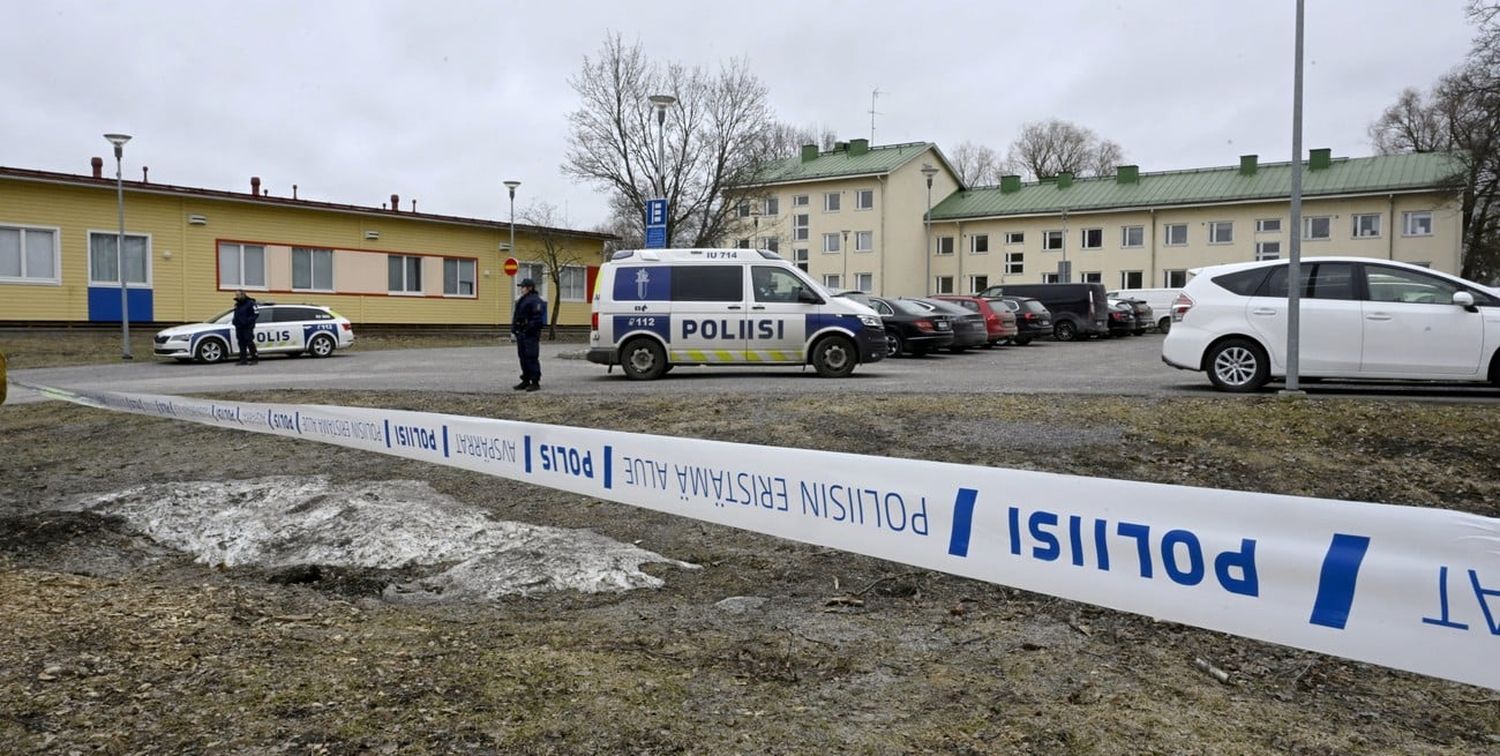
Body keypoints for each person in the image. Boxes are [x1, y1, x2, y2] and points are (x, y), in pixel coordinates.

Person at [511, 278, 546, 391]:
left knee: (531, 356)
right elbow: (517, 315)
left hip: (530, 333)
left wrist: (528, 328)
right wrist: (514, 328)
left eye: (523, 287)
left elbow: (537, 319)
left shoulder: (535, 300)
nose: (522, 289)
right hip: (521, 332)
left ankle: (535, 381)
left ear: (530, 288)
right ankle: (525, 379)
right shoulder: (523, 299)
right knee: (523, 357)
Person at [232, 289, 260, 365]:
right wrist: (234, 321)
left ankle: (255, 358)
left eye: (238, 295)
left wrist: (247, 321)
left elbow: (256, 314)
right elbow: (236, 314)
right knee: (241, 343)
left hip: (247, 326)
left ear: (243, 295)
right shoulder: (237, 304)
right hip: (239, 326)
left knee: (249, 341)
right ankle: (243, 360)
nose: (236, 296)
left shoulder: (251, 303)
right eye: (236, 295)